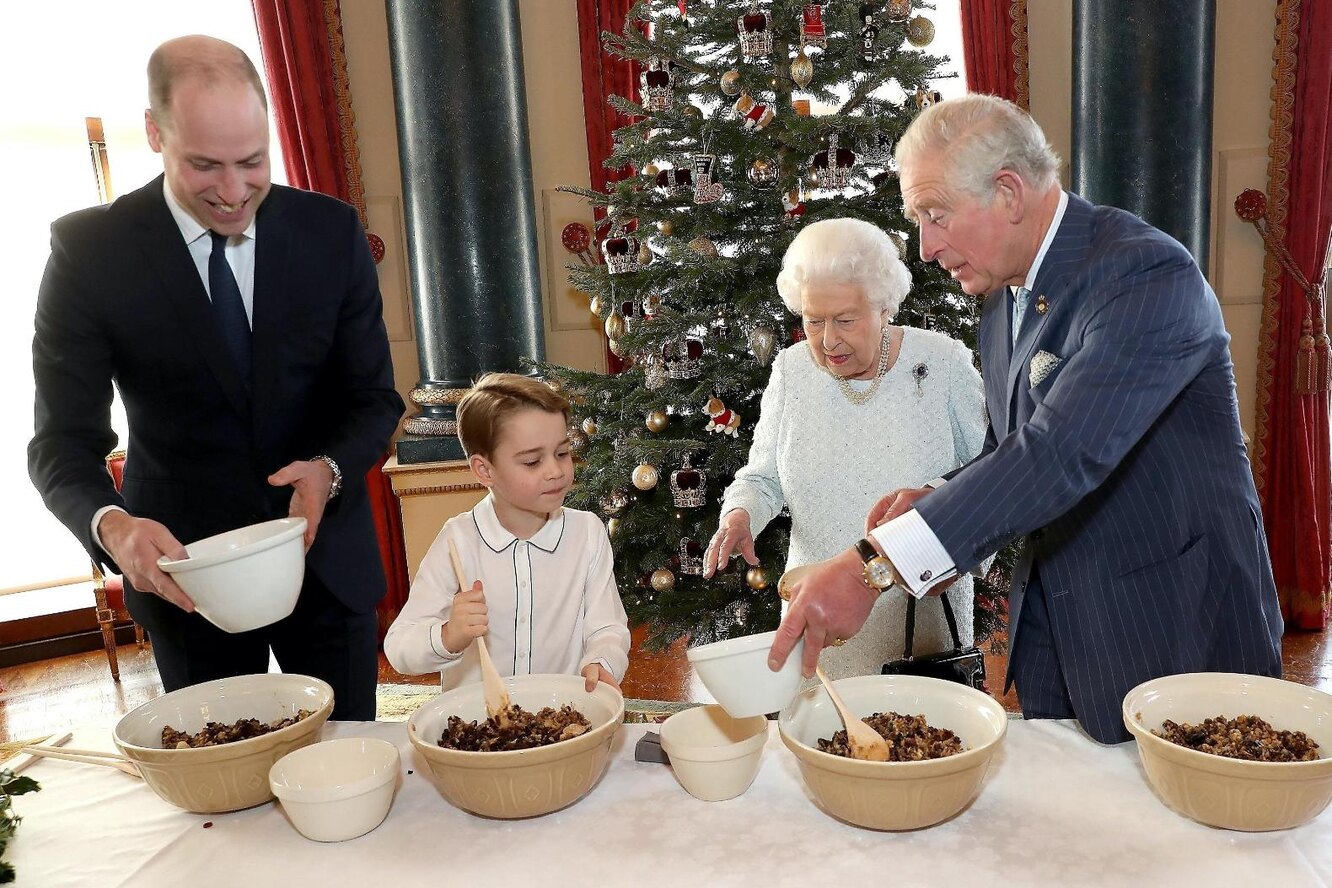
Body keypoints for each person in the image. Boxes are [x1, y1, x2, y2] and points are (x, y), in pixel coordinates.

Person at [768, 94, 1284, 744]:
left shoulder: (1145, 277)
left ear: (1009, 193)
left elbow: (1058, 454)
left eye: (935, 216)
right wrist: (941, 496)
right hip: (1063, 638)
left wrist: (874, 565)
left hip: (1174, 630)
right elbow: (1010, 450)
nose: (925, 248)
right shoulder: (1004, 296)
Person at [28, 36, 404, 720]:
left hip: (326, 570)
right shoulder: (90, 254)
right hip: (184, 581)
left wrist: (330, 470)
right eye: (205, 166)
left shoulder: (331, 233)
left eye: (252, 163)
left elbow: (374, 400)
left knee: (350, 787)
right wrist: (113, 528)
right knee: (222, 801)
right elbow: (58, 444)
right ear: (154, 132)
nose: (234, 193)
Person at [703, 218, 986, 680]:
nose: (828, 340)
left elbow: (988, 477)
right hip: (817, 617)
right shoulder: (792, 371)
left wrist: (957, 553)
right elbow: (763, 477)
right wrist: (741, 514)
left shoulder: (942, 363)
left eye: (846, 320)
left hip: (919, 623)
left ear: (884, 307)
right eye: (813, 321)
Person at [384, 373, 631, 693]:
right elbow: (399, 648)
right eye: (532, 461)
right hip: (478, 730)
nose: (555, 471)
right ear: (484, 470)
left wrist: (601, 661)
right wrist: (449, 635)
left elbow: (607, 628)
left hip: (561, 718)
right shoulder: (457, 541)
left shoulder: (587, 533)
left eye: (562, 453)